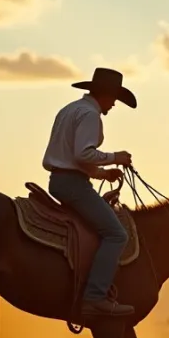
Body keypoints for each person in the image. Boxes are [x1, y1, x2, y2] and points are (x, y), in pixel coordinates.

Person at [43, 67, 137, 317]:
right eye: (114, 98)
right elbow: (83, 154)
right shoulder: (90, 115)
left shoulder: (70, 110)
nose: (114, 104)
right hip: (73, 185)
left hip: (61, 180)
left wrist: (102, 174)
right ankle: (95, 297)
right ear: (105, 94)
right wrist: (116, 157)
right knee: (116, 234)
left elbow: (70, 157)